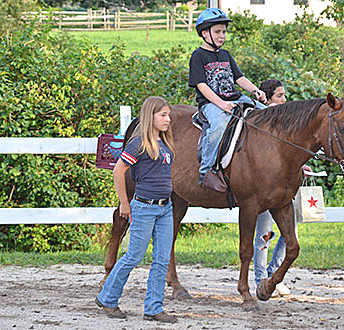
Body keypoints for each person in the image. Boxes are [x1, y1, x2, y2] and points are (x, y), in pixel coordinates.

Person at [95, 96, 177, 324]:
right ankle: (107, 297)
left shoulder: (165, 143)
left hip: (165, 209)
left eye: (168, 115)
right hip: (144, 207)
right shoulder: (139, 143)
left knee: (161, 259)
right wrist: (124, 203)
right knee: (134, 255)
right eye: (163, 115)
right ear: (150, 116)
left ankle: (153, 308)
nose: (167, 119)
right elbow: (119, 170)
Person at [188, 8, 267, 188]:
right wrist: (221, 104)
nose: (222, 36)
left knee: (268, 114)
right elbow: (201, 85)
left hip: (235, 98)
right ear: (204, 33)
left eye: (223, 31)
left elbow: (239, 78)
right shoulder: (198, 56)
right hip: (211, 104)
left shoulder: (226, 55)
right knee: (219, 126)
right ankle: (206, 172)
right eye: (217, 32)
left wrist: (255, 90)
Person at [252, 79, 308, 296]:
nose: (284, 100)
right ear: (267, 99)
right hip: (265, 186)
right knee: (264, 235)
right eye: (279, 96)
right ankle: (260, 278)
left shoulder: (287, 125)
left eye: (285, 96)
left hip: (284, 186)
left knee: (289, 232)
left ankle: (274, 274)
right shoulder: (260, 124)